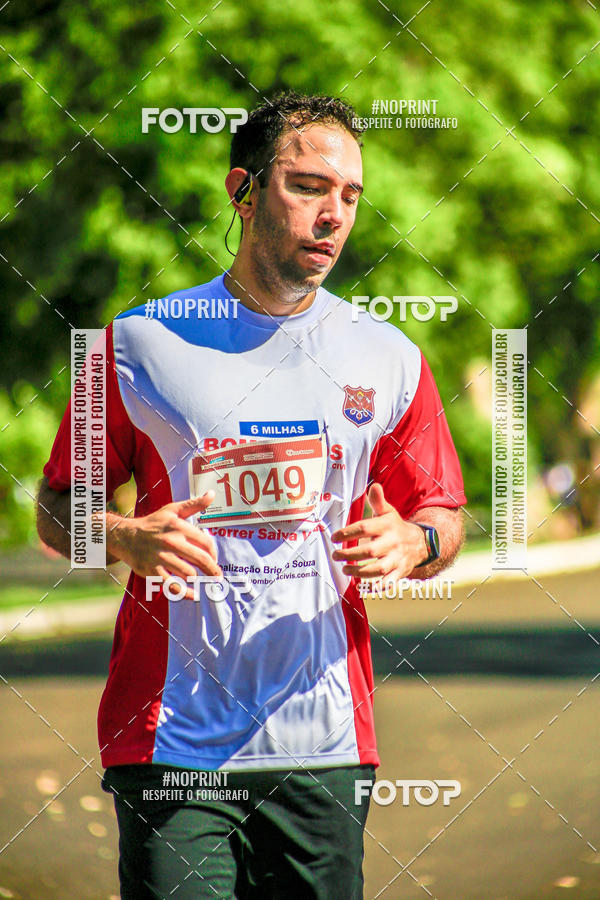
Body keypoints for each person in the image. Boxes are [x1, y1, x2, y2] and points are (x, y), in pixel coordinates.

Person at [37, 90, 466, 899]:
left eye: (350, 195)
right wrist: (123, 537)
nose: (333, 214)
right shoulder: (136, 345)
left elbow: (443, 516)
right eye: (308, 186)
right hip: (172, 744)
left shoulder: (388, 357)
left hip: (326, 746)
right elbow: (58, 512)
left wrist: (416, 543)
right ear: (243, 190)